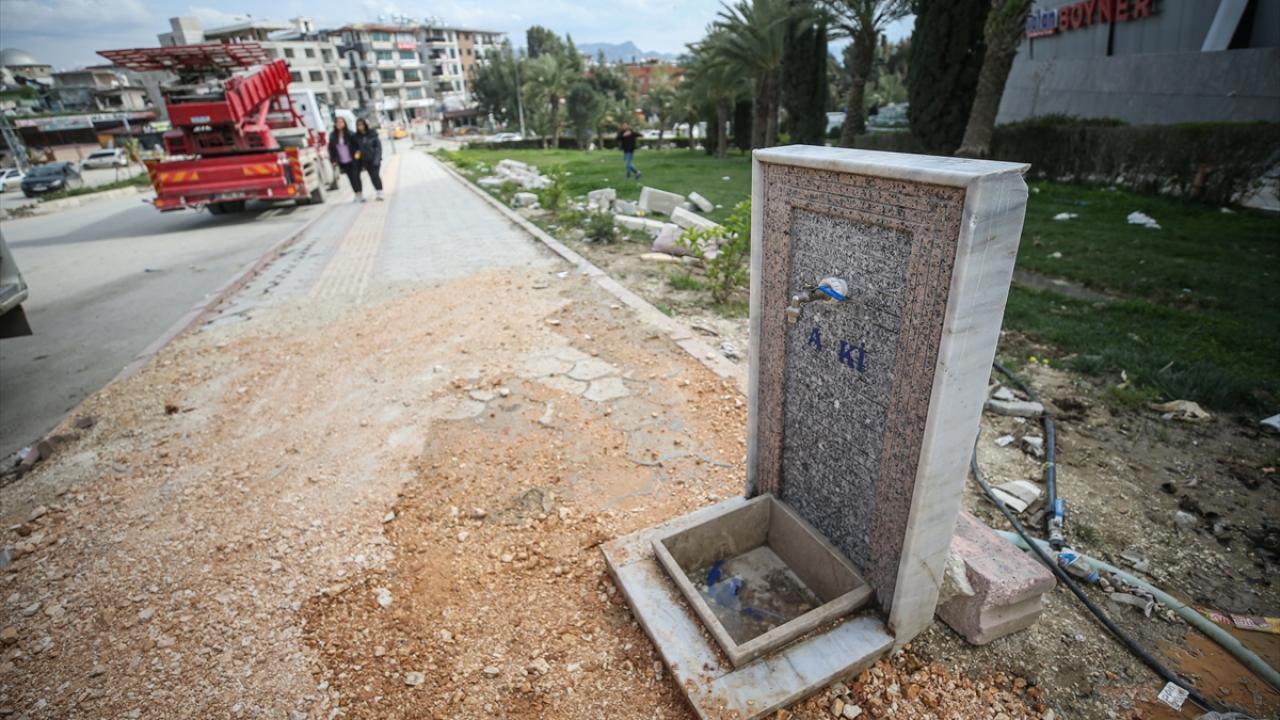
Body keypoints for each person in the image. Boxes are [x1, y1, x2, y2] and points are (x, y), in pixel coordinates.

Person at [328, 117, 361, 201]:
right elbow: (331, 149)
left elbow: (358, 146)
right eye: (337, 122)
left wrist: (358, 155)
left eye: (341, 122)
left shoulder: (350, 134)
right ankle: (356, 194)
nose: (339, 124)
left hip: (353, 160)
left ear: (344, 123)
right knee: (350, 178)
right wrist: (333, 160)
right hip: (343, 161)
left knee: (356, 177)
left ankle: (360, 194)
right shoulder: (332, 136)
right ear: (335, 124)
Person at [354, 118, 384, 202]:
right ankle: (378, 191)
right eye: (358, 125)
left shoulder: (372, 134)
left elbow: (378, 148)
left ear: (365, 125)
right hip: (365, 161)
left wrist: (377, 159)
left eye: (362, 124)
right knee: (371, 176)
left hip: (374, 159)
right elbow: (357, 148)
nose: (360, 127)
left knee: (375, 175)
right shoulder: (357, 137)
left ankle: (380, 191)